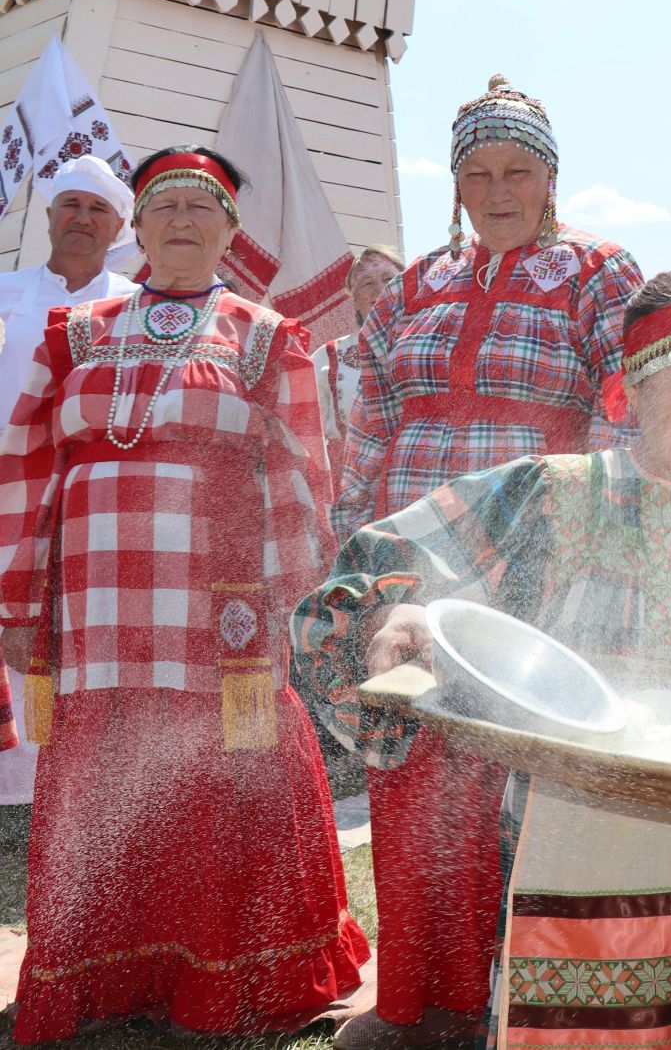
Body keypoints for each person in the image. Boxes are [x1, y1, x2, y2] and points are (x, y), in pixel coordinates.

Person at [294, 273, 671, 1049]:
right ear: (632, 396)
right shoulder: (557, 493)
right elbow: (383, 558)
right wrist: (403, 608)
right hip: (575, 853)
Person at [0, 145, 368, 1041]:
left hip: (218, 610)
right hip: (95, 605)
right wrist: (18, 600)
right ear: (138, 224)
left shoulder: (265, 335)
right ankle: (107, 970)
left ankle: (225, 970)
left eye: (202, 208)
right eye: (162, 204)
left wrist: (291, 596)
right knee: (104, 773)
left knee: (221, 774)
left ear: (231, 231)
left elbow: (302, 470)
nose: (180, 221)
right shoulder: (73, 332)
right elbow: (27, 466)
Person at [331, 74, 646, 1037]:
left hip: (536, 558)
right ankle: (427, 999)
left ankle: (528, 1000)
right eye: (478, 171)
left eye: (517, 170)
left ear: (551, 180)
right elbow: (370, 422)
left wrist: (579, 545)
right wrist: (359, 553)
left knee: (524, 781)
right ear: (456, 183)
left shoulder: (600, 273)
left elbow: (620, 408)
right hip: (415, 561)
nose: (498, 188)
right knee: (418, 766)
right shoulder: (416, 284)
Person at [0, 154, 138, 808]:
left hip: (90, 506)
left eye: (98, 210)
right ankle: (10, 790)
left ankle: (61, 789)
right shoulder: (3, 294)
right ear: (50, 216)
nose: (82, 219)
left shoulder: (137, 307)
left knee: (71, 637)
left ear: (118, 228)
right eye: (71, 205)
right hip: (4, 495)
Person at [312, 243, 404, 487]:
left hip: (411, 480)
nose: (381, 290)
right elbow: (306, 437)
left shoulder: (428, 346)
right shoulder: (329, 357)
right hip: (347, 487)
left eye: (388, 279)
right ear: (353, 298)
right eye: (367, 283)